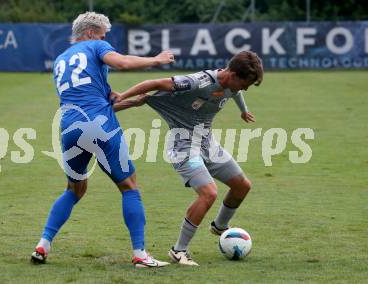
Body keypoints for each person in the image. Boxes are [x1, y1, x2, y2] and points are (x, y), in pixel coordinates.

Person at [31, 11, 174, 268]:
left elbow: (98, 101)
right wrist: (156, 60)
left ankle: (43, 243)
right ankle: (140, 254)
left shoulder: (62, 60)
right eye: (103, 35)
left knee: (75, 189)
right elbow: (124, 63)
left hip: (69, 128)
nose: (106, 40)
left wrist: (133, 102)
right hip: (100, 127)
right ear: (90, 33)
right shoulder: (95, 46)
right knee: (129, 186)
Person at [114, 51, 264, 266]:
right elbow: (152, 82)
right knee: (209, 193)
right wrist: (122, 97)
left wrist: (243, 111)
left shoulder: (231, 85)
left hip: (208, 145)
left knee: (242, 186)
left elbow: (235, 93)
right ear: (232, 74)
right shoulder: (196, 83)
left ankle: (220, 226)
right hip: (183, 147)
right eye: (245, 83)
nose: (245, 88)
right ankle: (179, 250)